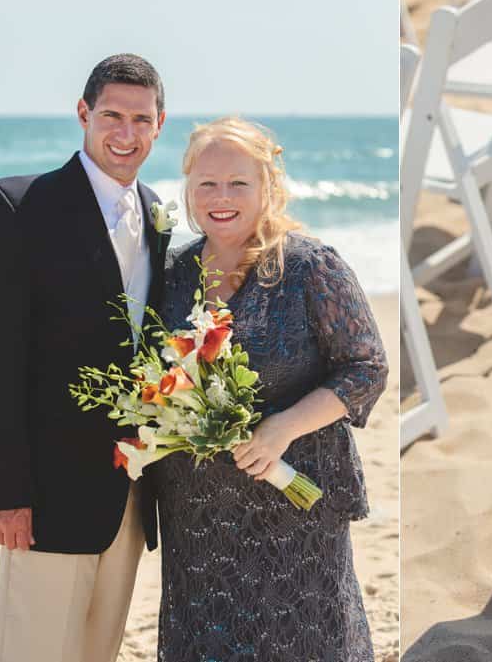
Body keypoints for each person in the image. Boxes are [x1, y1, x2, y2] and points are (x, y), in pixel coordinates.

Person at [0, 53, 170, 662]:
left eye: (141, 119)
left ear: (159, 124)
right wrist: (2, 492)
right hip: (45, 496)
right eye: (112, 116)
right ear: (83, 113)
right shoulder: (17, 206)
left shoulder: (157, 213)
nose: (126, 134)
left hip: (128, 495)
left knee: (98, 651)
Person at [154, 116, 387, 661]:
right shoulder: (173, 272)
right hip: (199, 516)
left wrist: (283, 428)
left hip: (292, 503)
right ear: (188, 188)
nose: (221, 197)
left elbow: (366, 368)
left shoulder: (308, 267)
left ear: (268, 187)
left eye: (238, 183)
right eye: (207, 183)